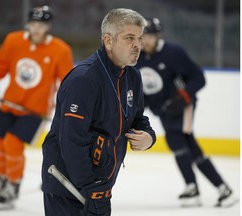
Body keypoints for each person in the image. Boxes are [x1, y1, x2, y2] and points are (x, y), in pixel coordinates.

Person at [41, 8, 156, 216]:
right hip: (67, 184)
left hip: (99, 186)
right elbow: (71, 141)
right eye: (129, 38)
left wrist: (149, 136)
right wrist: (92, 187)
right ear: (108, 41)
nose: (138, 45)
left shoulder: (133, 77)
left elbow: (137, 118)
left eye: (139, 38)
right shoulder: (84, 80)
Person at [0, 5, 74, 209]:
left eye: (41, 24)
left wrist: (69, 107)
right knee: (1, 142)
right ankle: (2, 181)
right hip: (9, 103)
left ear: (47, 26)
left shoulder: (60, 50)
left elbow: (67, 83)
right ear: (28, 24)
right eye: (33, 23)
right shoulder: (13, 41)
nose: (37, 28)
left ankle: (13, 185)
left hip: (34, 110)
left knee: (13, 143)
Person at [135, 17, 237, 207]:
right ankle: (212, 188)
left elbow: (198, 78)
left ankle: (215, 188)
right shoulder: (137, 57)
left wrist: (182, 97)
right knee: (182, 144)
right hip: (163, 110)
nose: (145, 41)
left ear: (158, 36)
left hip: (182, 107)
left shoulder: (173, 53)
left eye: (149, 36)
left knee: (182, 143)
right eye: (142, 37)